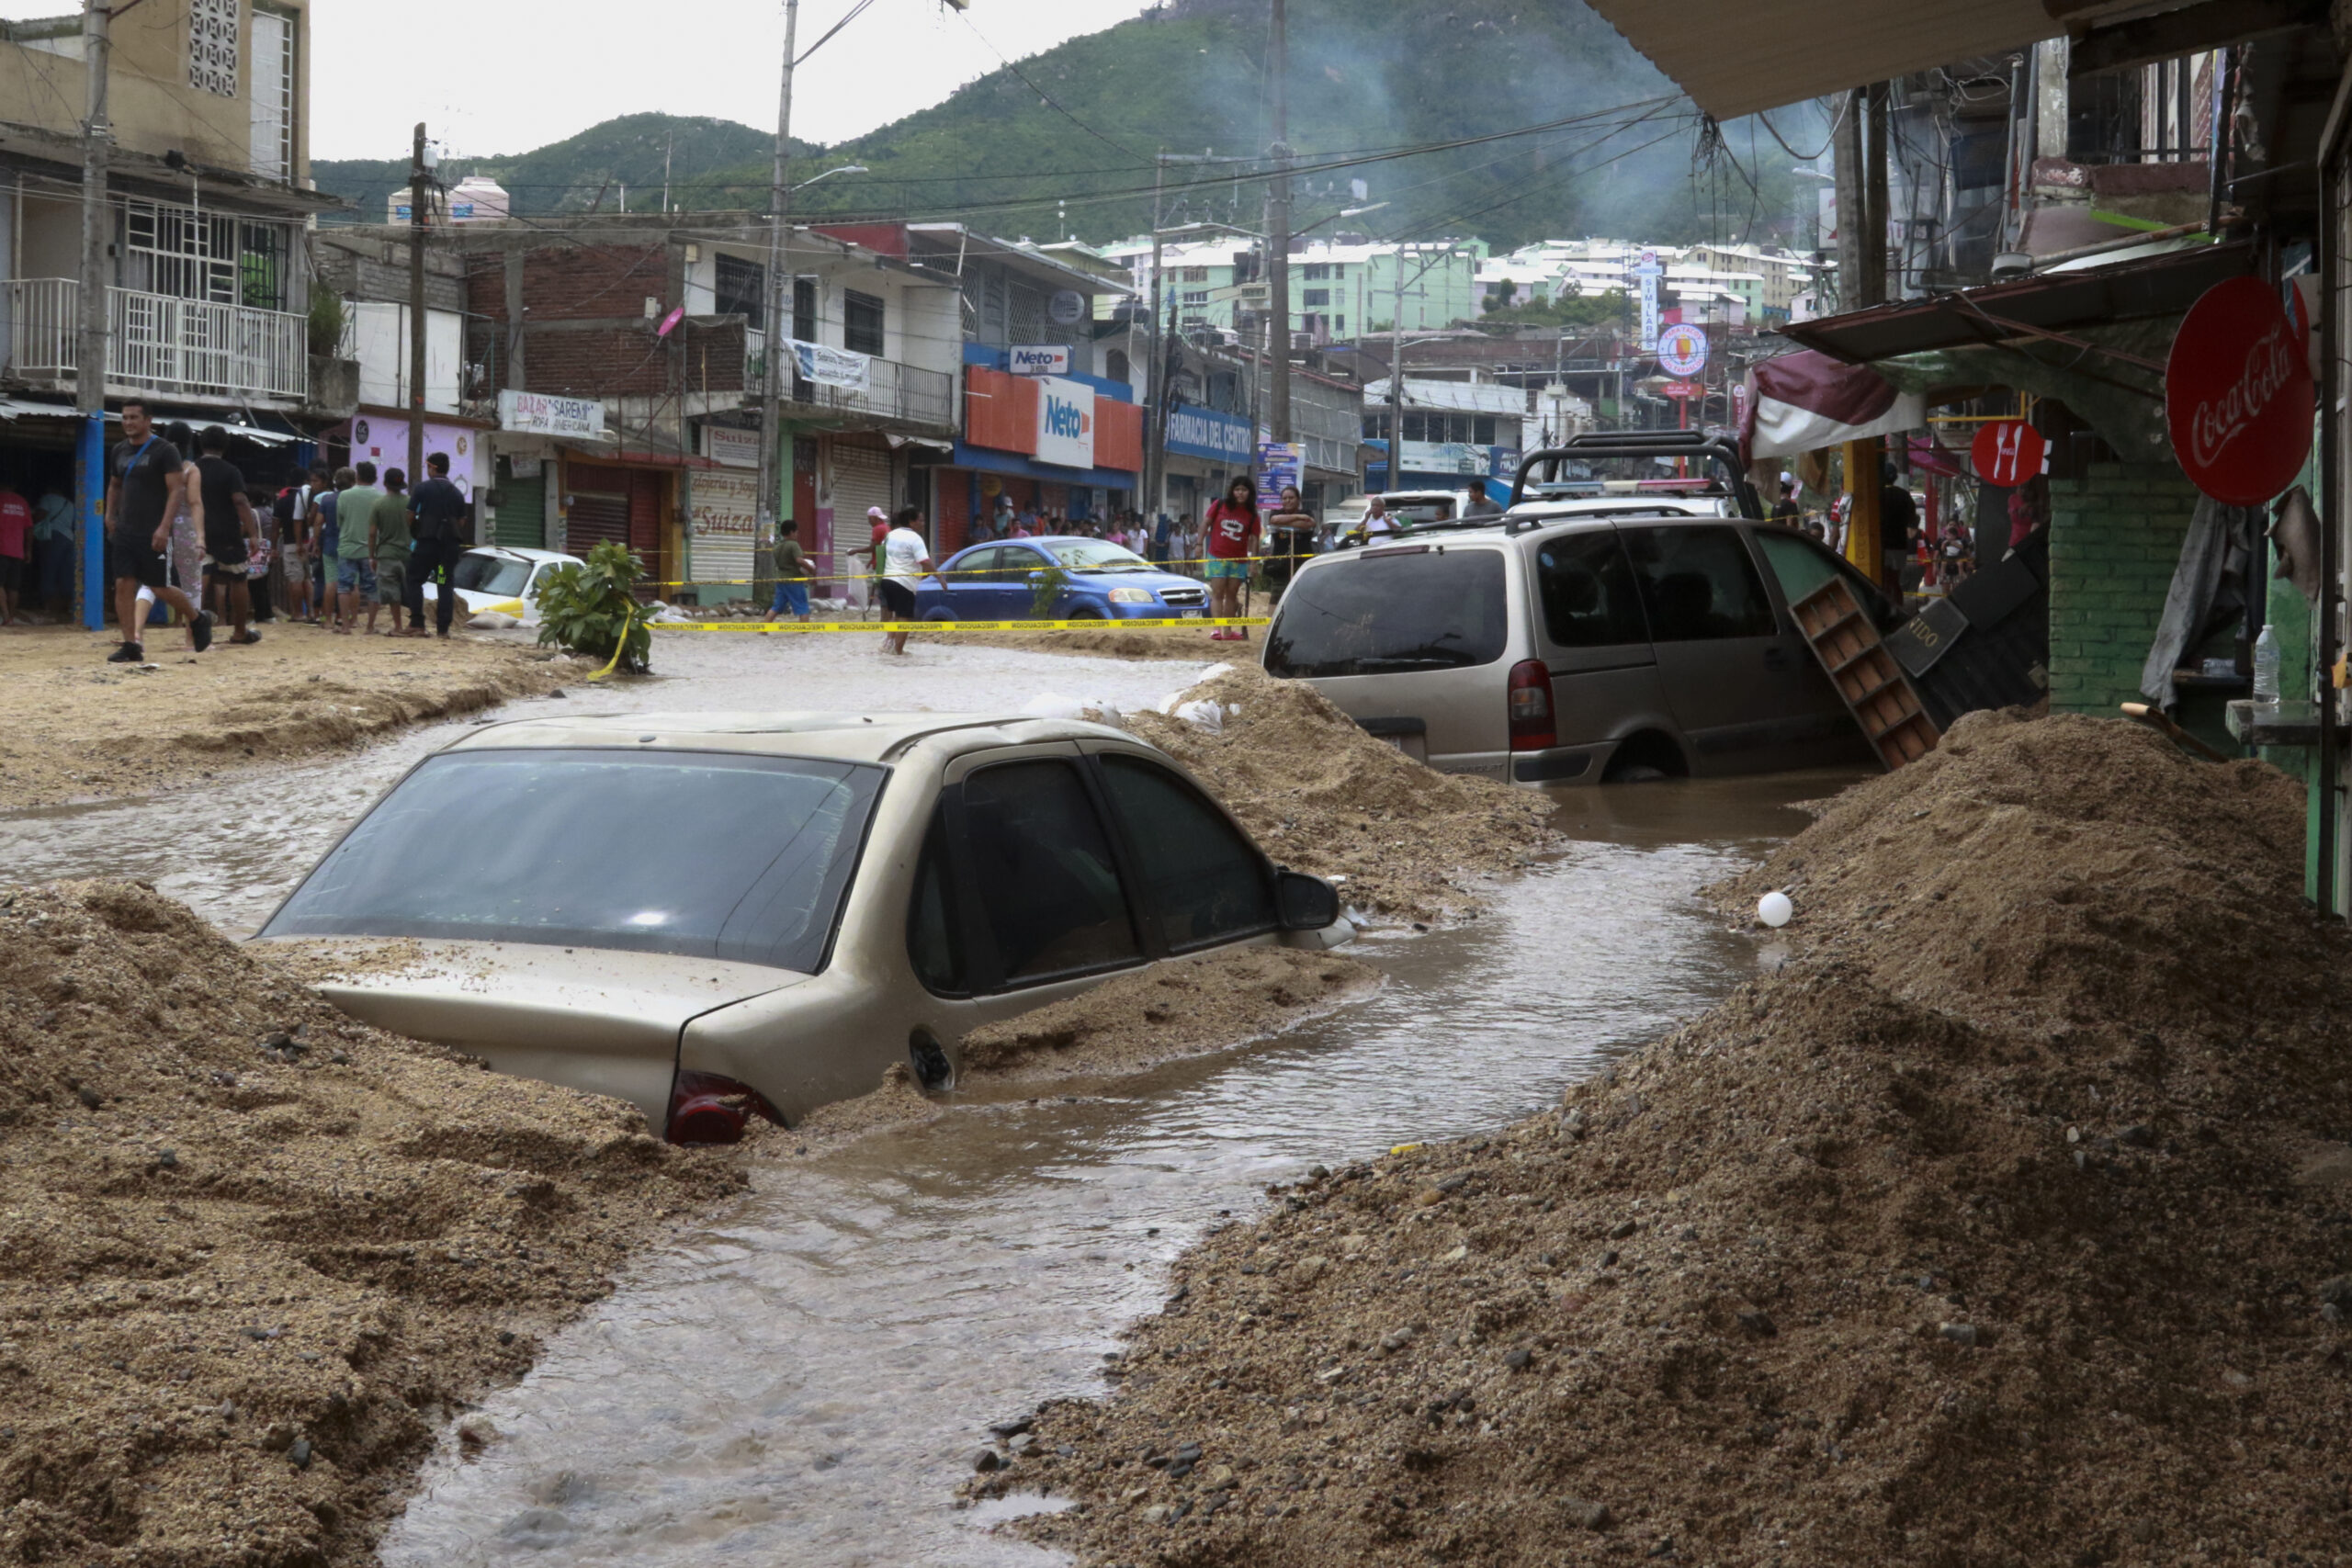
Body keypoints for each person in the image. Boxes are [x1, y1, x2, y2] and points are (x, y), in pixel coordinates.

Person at [104, 400, 209, 662]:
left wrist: (164, 527)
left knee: (159, 586)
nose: (128, 422)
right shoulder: (118, 450)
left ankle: (197, 619)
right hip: (125, 530)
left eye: (134, 418)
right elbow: (115, 485)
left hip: (154, 531)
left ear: (148, 420)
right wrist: (109, 514)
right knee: (123, 584)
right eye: (125, 417)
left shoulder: (164, 451)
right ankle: (131, 645)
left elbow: (176, 491)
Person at [190, 426, 261, 646]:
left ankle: (194, 633)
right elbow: (240, 501)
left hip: (198, 531)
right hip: (227, 532)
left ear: (201, 445)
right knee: (238, 579)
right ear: (225, 446)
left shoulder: (192, 470)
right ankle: (240, 631)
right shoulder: (230, 471)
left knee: (200, 581)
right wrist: (253, 533)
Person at [407, 452, 469, 638]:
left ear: (433, 467)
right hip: (447, 549)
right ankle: (443, 629)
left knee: (415, 580)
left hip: (427, 545)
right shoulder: (457, 492)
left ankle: (417, 623)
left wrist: (417, 529)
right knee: (444, 583)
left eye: (428, 466)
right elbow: (462, 521)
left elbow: (410, 515)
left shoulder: (422, 489)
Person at [1202, 475, 1260, 641]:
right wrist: (1199, 544)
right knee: (1218, 593)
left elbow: (1255, 539)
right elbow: (1206, 523)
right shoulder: (1219, 505)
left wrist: (1253, 563)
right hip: (1217, 556)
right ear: (1232, 491)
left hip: (1239, 561)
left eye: (1244, 490)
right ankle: (1216, 630)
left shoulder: (1252, 514)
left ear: (1250, 493)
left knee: (1232, 595)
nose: (1240, 493)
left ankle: (1227, 631)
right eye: (1237, 489)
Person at [334, 462, 384, 633]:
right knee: (372, 589)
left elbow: (339, 521)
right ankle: (370, 626)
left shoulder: (344, 496)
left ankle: (346, 627)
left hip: (347, 546)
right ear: (375, 478)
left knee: (344, 587)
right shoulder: (380, 497)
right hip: (371, 550)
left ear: (357, 477)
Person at [877, 504, 932, 656]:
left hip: (887, 581)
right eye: (921, 520)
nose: (923, 523)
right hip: (904, 583)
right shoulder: (915, 538)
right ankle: (899, 652)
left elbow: (882, 556)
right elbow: (925, 561)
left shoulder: (890, 535)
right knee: (905, 618)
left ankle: (888, 644)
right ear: (911, 522)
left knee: (897, 615)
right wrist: (940, 577)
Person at [369, 467, 415, 636]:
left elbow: (372, 533)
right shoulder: (410, 502)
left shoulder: (378, 504)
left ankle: (398, 626)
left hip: (386, 554)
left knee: (391, 593)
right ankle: (415, 623)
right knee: (411, 590)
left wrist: (371, 556)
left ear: (384, 483)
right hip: (406, 553)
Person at [1263, 484, 1316, 602]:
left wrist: (1284, 523)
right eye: (1284, 498)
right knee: (1277, 597)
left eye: (1291, 498)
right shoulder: (1275, 512)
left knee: (1303, 597)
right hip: (1280, 566)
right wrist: (1299, 516)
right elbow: (1274, 520)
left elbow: (1308, 524)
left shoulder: (1308, 512)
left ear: (1298, 499)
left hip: (1302, 564)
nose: (1288, 501)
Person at [32, 479, 72, 618]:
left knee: (48, 570)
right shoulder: (70, 504)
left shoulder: (47, 498)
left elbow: (40, 516)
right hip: (69, 539)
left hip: (52, 537)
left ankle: (49, 607)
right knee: (66, 573)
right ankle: (68, 607)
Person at [763, 519, 812, 626]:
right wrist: (811, 569)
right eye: (796, 532)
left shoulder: (777, 547)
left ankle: (763, 630)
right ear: (792, 532)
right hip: (793, 580)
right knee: (803, 606)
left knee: (776, 607)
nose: (797, 534)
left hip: (780, 580)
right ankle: (804, 631)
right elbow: (799, 560)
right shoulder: (793, 545)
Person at [1879, 460, 1918, 593]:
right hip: (1899, 546)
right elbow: (1912, 529)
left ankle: (1884, 610)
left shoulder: (1876, 495)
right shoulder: (1905, 496)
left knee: (1881, 581)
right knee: (1895, 582)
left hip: (1880, 547)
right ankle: (1896, 609)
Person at [0, 477, 30, 626]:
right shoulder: (22, 502)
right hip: (17, 550)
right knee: (13, 586)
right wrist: (28, 550)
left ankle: (6, 617)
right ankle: (11, 616)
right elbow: (29, 527)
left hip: (1, 549)